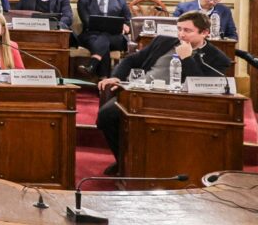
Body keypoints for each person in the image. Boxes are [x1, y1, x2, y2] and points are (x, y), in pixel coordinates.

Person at [95, 11, 230, 174]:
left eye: (187, 30)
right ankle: (124, 161)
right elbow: (131, 60)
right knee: (106, 116)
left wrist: (187, 58)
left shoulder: (217, 58)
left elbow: (203, 88)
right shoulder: (164, 41)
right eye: (179, 29)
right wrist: (117, 76)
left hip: (176, 103)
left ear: (205, 32)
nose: (181, 34)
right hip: (140, 93)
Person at [76, 0, 131, 78]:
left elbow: (128, 21)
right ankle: (103, 79)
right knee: (104, 41)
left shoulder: (121, 1)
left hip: (115, 38)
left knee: (104, 38)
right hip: (91, 35)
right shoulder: (84, 0)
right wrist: (112, 27)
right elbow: (87, 22)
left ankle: (93, 65)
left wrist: (126, 27)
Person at [173, 0, 238, 40]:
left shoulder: (225, 10)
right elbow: (173, 32)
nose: (212, 2)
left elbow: (232, 35)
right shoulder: (183, 8)